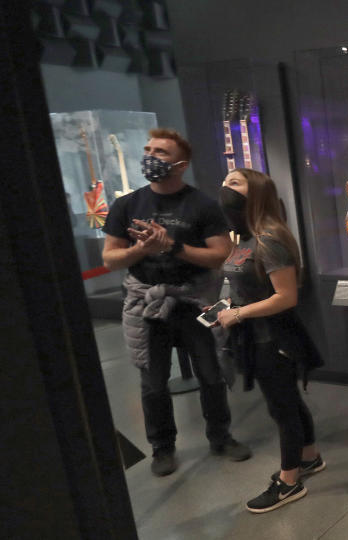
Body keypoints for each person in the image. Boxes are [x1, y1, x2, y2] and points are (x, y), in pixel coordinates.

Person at [102, 128, 251, 477]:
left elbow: (221, 255)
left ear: (181, 164)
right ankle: (162, 448)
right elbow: (110, 258)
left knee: (211, 374)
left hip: (194, 299)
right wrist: (141, 250)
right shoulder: (126, 205)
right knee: (153, 383)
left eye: (161, 152)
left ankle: (220, 437)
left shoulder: (201, 205)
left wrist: (172, 246)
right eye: (149, 149)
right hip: (147, 303)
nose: (151, 156)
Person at [214, 168, 324, 513]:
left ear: (256, 192)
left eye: (234, 182)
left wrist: (241, 314)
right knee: (287, 400)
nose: (224, 187)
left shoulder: (269, 238)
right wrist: (229, 306)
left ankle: (289, 482)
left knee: (282, 409)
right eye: (224, 181)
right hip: (255, 334)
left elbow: (286, 296)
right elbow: (248, 287)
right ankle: (309, 458)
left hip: (274, 337)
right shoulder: (243, 238)